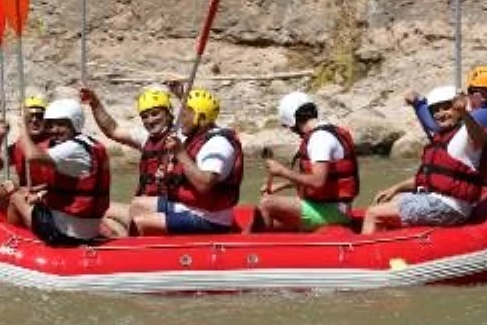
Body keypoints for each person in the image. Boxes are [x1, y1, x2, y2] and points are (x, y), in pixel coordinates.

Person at [361, 81, 487, 234]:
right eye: (435, 110)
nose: (440, 113)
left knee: (373, 214)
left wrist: (464, 112)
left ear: (458, 108)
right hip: (435, 200)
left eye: (447, 107)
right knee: (389, 200)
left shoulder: (466, 134)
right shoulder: (442, 136)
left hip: (449, 207)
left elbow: (480, 138)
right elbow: (430, 177)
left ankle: (363, 255)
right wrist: (395, 188)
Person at [129, 88, 244, 235]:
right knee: (137, 204)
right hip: (192, 207)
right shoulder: (197, 136)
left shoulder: (218, 144)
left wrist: (181, 154)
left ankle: (133, 252)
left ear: (200, 118)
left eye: (184, 115)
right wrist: (181, 94)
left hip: (209, 218)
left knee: (140, 223)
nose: (180, 120)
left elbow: (204, 185)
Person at [2, 98, 113, 246]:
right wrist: (40, 192)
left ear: (75, 123)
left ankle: (14, 242)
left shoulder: (72, 149)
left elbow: (32, 156)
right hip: (86, 228)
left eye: (61, 125)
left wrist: (23, 127)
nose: (54, 130)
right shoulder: (88, 143)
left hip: (64, 234)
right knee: (26, 195)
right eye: (51, 125)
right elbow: (72, 186)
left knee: (16, 197)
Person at [248, 91, 360, 233]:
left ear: (292, 120)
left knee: (266, 204)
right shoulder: (327, 131)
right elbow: (321, 177)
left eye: (288, 126)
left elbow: (318, 181)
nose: (291, 130)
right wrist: (282, 185)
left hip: (334, 212)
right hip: (333, 207)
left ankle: (259, 250)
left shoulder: (319, 139)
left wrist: (282, 171)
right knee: (270, 223)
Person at [81, 84, 176, 236]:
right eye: (145, 116)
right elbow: (112, 130)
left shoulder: (181, 138)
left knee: (111, 218)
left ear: (168, 114)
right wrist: (95, 103)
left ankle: (126, 243)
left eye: (155, 114)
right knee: (102, 211)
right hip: (142, 204)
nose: (150, 120)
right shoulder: (146, 138)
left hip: (165, 209)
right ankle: (120, 246)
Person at [0, 94, 49, 221]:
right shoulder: (19, 145)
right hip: (23, 194)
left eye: (40, 116)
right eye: (30, 116)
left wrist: (21, 190)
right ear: (23, 120)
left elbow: (59, 184)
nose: (35, 120)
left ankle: (16, 234)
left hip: (46, 196)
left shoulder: (55, 145)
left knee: (16, 198)